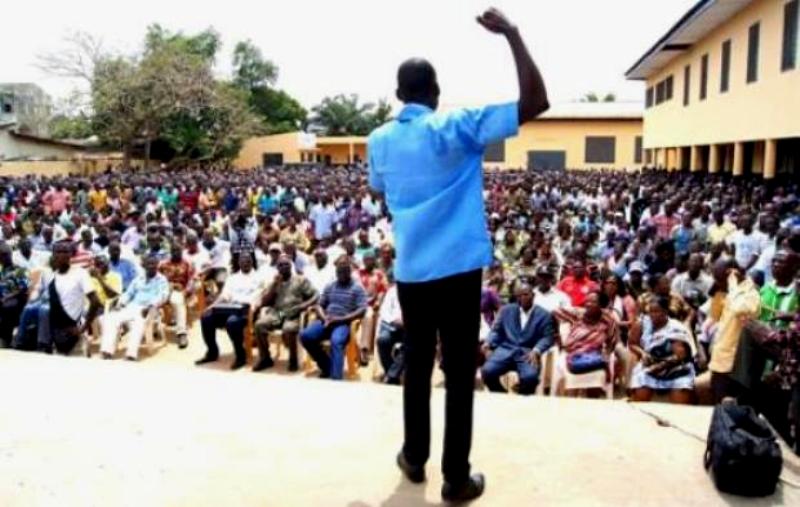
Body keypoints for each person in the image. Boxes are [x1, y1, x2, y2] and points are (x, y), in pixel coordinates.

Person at [367, 7, 549, 500]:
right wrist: (512, 34)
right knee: (459, 371)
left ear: (399, 95)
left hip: (412, 270)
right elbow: (536, 101)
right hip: (459, 270)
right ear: (436, 93)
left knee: (417, 364)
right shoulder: (459, 126)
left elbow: (379, 187)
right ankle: (455, 477)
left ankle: (414, 457)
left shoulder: (379, 140)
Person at [300, 256, 368, 380]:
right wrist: (324, 318)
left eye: (344, 271)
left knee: (336, 341)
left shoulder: (357, 288)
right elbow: (319, 305)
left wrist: (340, 319)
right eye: (339, 272)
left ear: (350, 272)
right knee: (305, 336)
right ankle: (326, 366)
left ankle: (336, 378)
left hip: (344, 323)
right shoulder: (330, 286)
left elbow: (362, 309)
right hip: (326, 321)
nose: (341, 274)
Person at [480, 284, 556, 394]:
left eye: (525, 294)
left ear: (533, 295)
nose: (522, 298)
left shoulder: (544, 315)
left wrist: (537, 350)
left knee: (530, 378)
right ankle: (501, 395)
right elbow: (497, 331)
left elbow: (547, 337)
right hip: (506, 350)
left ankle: (521, 398)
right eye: (519, 295)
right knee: (487, 372)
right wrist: (488, 342)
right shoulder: (506, 310)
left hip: (528, 353)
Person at [196, 254, 264, 370]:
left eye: (248, 261)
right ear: (239, 263)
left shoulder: (259, 278)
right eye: (242, 261)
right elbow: (224, 295)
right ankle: (212, 352)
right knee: (206, 317)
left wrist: (252, 308)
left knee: (232, 322)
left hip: (246, 310)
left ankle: (240, 355)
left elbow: (259, 297)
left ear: (252, 262)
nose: (245, 263)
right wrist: (212, 306)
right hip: (230, 307)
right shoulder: (233, 278)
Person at [253, 254, 318, 372]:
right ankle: (265, 358)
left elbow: (316, 295)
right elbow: (264, 302)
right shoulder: (275, 282)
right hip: (279, 314)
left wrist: (304, 305)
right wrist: (274, 285)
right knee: (259, 325)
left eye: (286, 264)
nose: (284, 267)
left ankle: (293, 360)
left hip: (293, 313)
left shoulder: (300, 280)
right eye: (281, 265)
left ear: (291, 266)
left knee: (289, 328)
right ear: (277, 268)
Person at [99, 255, 169, 361]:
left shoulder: (161, 280)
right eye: (148, 264)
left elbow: (163, 295)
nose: (151, 266)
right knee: (111, 318)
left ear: (157, 265)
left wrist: (150, 305)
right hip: (132, 306)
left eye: (153, 264)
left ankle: (131, 354)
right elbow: (129, 293)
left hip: (149, 309)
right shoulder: (139, 278)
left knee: (138, 322)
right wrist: (121, 304)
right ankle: (107, 351)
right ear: (144, 266)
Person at [628, 296, 695, 404]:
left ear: (665, 312)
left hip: (676, 369)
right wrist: (643, 353)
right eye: (650, 311)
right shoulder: (642, 323)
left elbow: (680, 356)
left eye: (656, 311)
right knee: (639, 397)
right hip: (650, 364)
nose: (652, 315)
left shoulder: (676, 328)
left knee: (680, 406)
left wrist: (658, 366)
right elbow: (632, 343)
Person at [44, 241, 102, 355]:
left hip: (75, 334)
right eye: (58, 252)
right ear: (53, 255)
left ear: (71, 254)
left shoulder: (80, 274)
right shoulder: (50, 277)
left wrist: (84, 327)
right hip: (57, 334)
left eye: (65, 251)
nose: (62, 255)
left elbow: (95, 302)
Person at [159, 243, 194, 348]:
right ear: (170, 252)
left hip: (177, 290)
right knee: (150, 302)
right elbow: (156, 277)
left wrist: (186, 291)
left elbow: (192, 280)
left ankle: (181, 333)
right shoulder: (163, 264)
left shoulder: (187, 264)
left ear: (181, 251)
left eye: (178, 250)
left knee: (178, 302)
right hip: (162, 289)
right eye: (173, 250)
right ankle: (153, 328)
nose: (175, 253)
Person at [376, 279, 405, 384]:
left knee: (411, 344)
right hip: (392, 326)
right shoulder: (392, 291)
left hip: (410, 328)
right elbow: (384, 311)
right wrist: (394, 320)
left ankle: (391, 376)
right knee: (382, 340)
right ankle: (392, 374)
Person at [0, 243, 29, 347]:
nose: (3, 258)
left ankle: (5, 339)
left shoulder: (19, 270)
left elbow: (23, 289)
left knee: (6, 307)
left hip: (16, 299)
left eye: (5, 254)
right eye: (1, 255)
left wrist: (6, 297)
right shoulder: (1, 271)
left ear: (10, 254)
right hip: (2, 298)